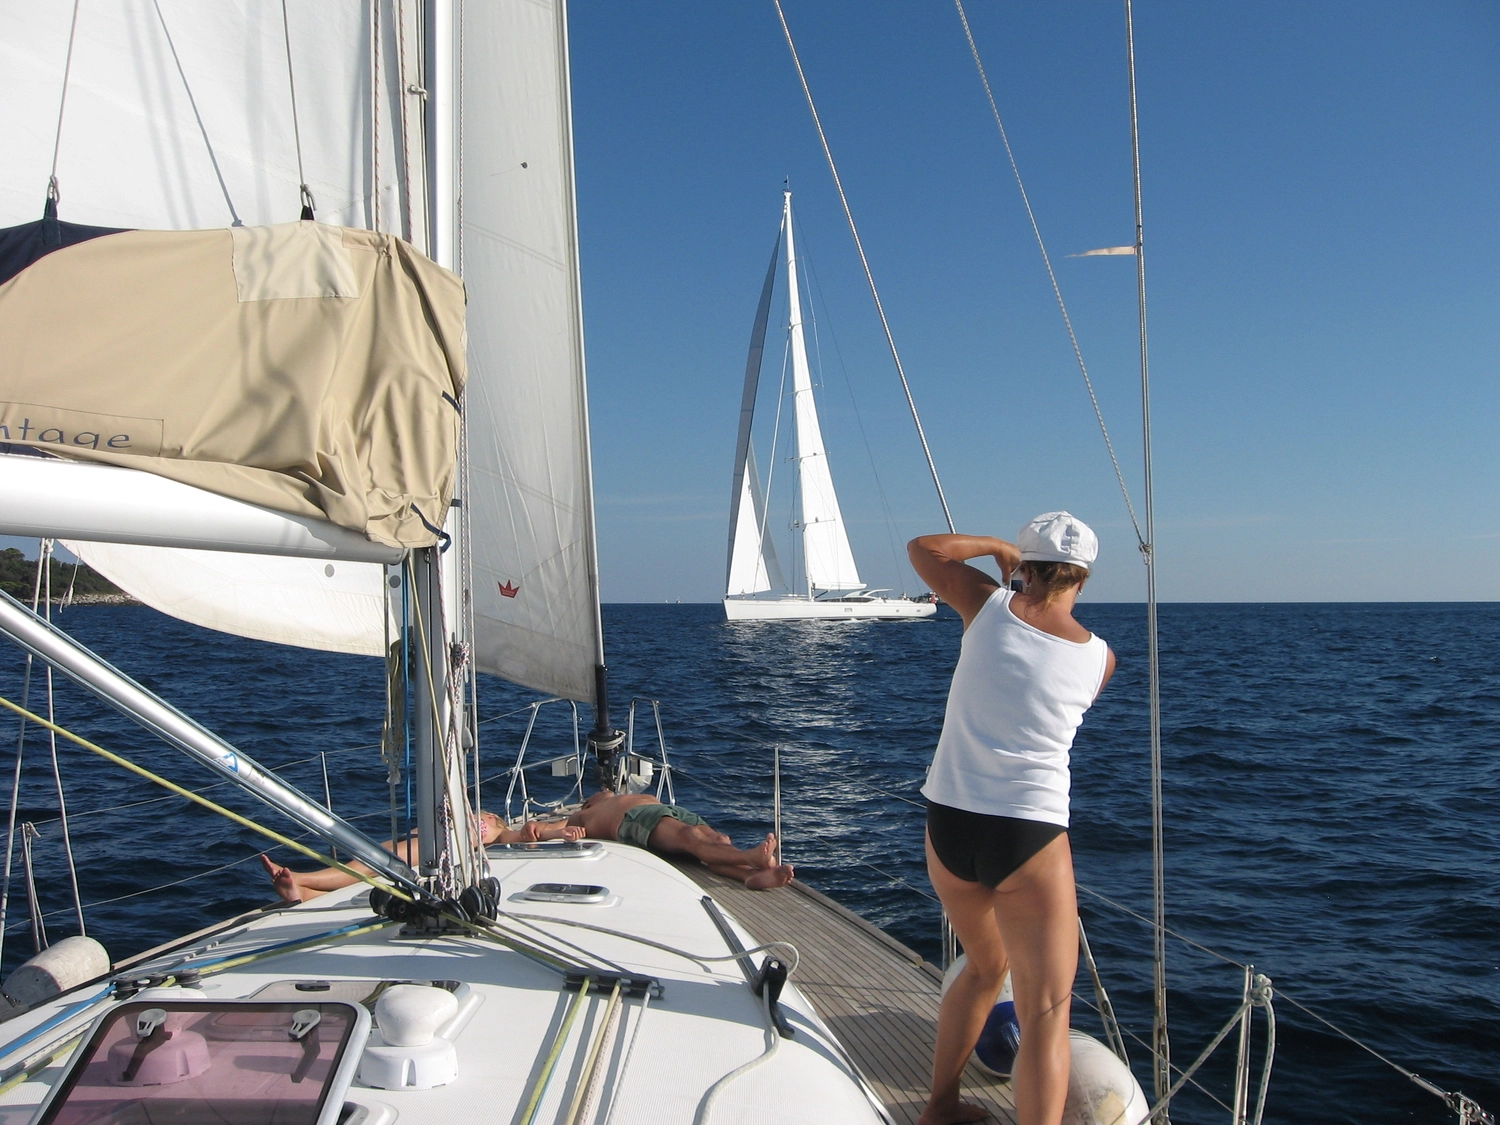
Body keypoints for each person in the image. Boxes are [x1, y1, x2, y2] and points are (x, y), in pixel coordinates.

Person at [908, 513, 1116, 1125]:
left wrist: (996, 549)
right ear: (1084, 576)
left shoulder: (985, 605)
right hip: (1026, 833)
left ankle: (940, 1108)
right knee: (1046, 1015)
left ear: (1026, 562)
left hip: (948, 827)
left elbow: (925, 550)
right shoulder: (1100, 659)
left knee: (984, 964)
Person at [262, 811, 581, 903]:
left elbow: (534, 835)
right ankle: (305, 893)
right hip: (427, 832)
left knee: (376, 863)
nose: (533, 830)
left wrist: (560, 834)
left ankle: (303, 879)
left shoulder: (500, 840)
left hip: (440, 843)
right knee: (371, 861)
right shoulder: (497, 825)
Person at [565, 791, 794, 890]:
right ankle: (751, 857)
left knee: (719, 840)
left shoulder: (622, 796)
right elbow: (542, 830)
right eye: (599, 792)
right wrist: (553, 831)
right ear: (588, 803)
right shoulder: (584, 814)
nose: (605, 790)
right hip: (636, 819)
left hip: (667, 810)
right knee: (690, 837)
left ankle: (749, 875)